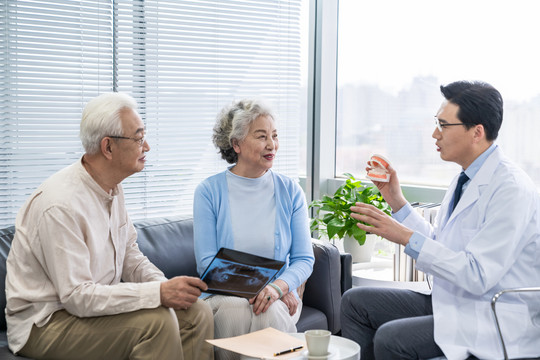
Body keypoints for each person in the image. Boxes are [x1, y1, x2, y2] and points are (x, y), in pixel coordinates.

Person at [5, 92, 214, 360]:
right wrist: (158, 294)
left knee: (197, 312)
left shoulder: (112, 187)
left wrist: (167, 289)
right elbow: (77, 297)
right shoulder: (60, 205)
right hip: (46, 323)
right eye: (138, 138)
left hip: (88, 311)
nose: (147, 146)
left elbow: (130, 256)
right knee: (157, 323)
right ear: (108, 147)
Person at [341, 81, 540, 360]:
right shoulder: (465, 178)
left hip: (494, 318)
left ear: (477, 132)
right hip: (456, 303)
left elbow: (477, 275)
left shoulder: (511, 189)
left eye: (443, 125)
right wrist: (395, 200)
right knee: (355, 302)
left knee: (392, 338)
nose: (435, 134)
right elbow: (441, 245)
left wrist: (405, 236)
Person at [193, 99, 314, 360]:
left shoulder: (290, 191)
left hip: (276, 293)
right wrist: (263, 286)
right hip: (224, 295)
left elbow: (305, 258)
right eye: (262, 137)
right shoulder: (208, 191)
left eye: (274, 136)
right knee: (235, 309)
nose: (272, 145)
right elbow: (206, 263)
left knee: (268, 308)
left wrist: (279, 287)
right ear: (236, 144)